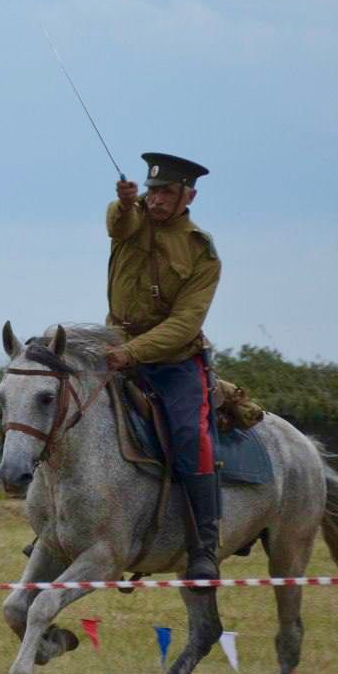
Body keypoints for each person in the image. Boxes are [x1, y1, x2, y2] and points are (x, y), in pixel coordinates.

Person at [102, 153, 222, 583]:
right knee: (66, 407)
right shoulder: (133, 220)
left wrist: (133, 354)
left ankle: (203, 545)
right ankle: (56, 526)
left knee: (191, 436)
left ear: (188, 195)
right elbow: (118, 225)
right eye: (151, 191)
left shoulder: (201, 252)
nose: (156, 199)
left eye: (166, 192)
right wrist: (123, 201)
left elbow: (185, 323)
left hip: (173, 362)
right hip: (113, 345)